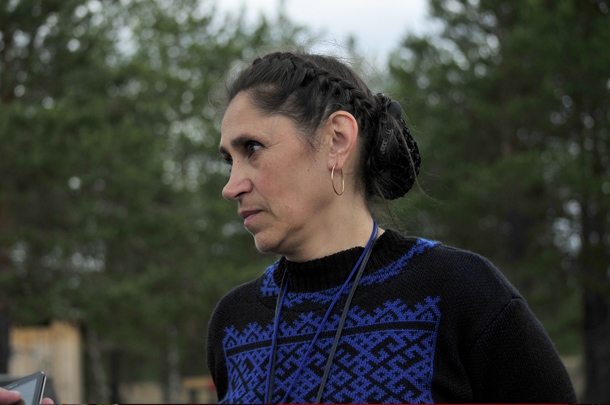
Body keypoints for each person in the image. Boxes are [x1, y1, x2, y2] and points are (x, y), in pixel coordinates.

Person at [207, 50, 577, 404]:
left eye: (252, 148)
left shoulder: (460, 294)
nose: (231, 186)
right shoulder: (233, 324)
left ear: (337, 140)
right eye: (229, 160)